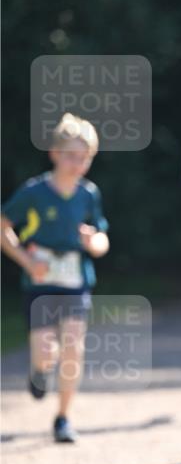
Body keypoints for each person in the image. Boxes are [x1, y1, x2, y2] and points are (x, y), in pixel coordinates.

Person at [0, 113, 109, 443]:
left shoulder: (89, 194)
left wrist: (93, 242)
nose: (78, 163)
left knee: (73, 347)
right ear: (55, 153)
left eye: (85, 157)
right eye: (71, 156)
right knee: (46, 350)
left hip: (76, 281)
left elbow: (102, 239)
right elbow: (3, 226)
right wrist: (26, 260)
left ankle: (63, 418)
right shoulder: (35, 192)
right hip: (41, 282)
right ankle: (39, 369)